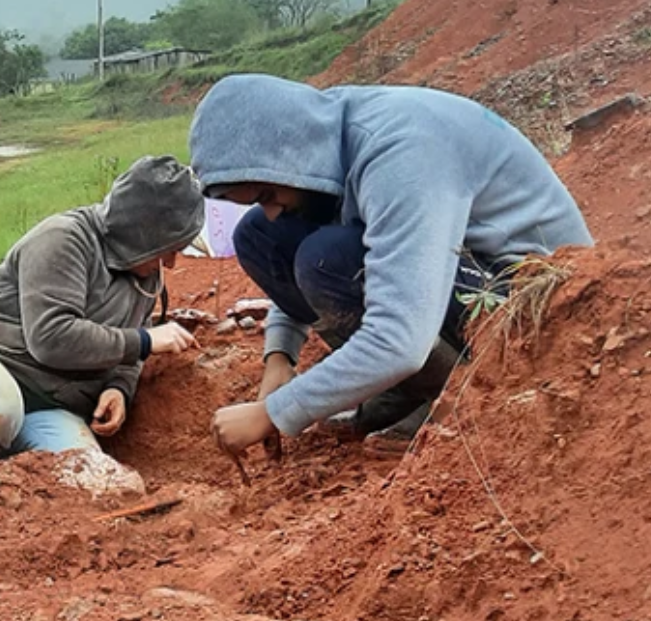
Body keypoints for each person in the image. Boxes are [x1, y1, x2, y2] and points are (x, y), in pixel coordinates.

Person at [187, 74, 595, 456]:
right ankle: (408, 386)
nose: (271, 210)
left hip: (534, 305)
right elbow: (289, 236)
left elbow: (400, 337)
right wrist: (280, 357)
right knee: (260, 236)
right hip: (465, 263)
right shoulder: (324, 135)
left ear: (289, 155)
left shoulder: (400, 153)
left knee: (327, 260)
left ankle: (458, 396)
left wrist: (273, 413)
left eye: (267, 193)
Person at [0, 155, 204, 474]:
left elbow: (132, 347)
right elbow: (51, 337)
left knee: (103, 484)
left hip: (52, 404)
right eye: (168, 249)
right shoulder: (63, 239)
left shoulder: (145, 275)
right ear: (141, 233)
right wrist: (143, 341)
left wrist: (118, 388)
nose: (171, 264)